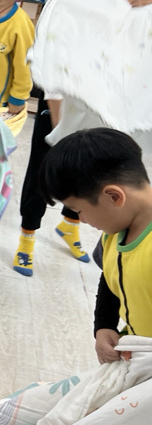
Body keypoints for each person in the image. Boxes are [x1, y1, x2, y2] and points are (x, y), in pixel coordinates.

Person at [14, 0, 152, 276]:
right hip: (61, 119)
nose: (139, 3)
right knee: (43, 177)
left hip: (109, 128)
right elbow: (55, 77)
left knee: (97, 180)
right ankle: (27, 238)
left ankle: (70, 226)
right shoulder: (80, 20)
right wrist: (62, 132)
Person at [40, 128, 152, 365]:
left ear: (114, 197)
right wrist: (104, 325)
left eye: (79, 210)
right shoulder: (116, 230)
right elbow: (112, 277)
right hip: (136, 354)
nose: (81, 220)